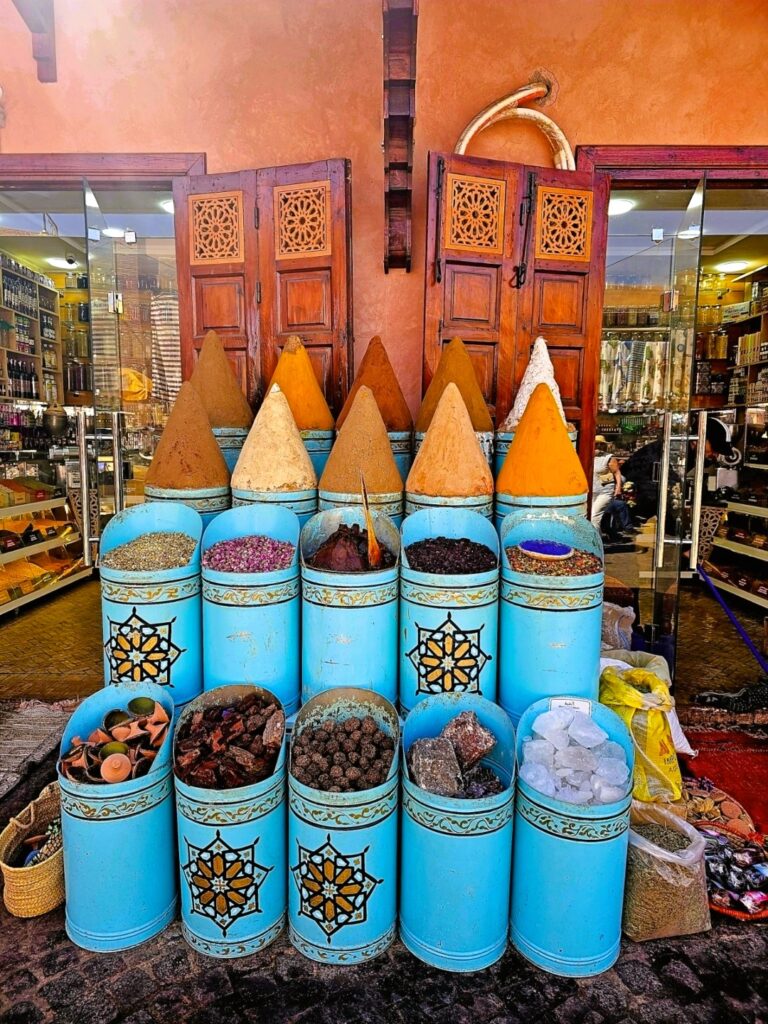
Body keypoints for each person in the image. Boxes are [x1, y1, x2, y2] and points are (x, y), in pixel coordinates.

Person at [591, 436, 633, 540]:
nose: (598, 446)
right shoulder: (588, 456)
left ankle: (595, 544)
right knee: (591, 518)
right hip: (591, 491)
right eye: (596, 444)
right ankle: (596, 542)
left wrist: (618, 488)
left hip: (604, 492)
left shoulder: (609, 457)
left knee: (594, 517)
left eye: (601, 444)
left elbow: (617, 473)